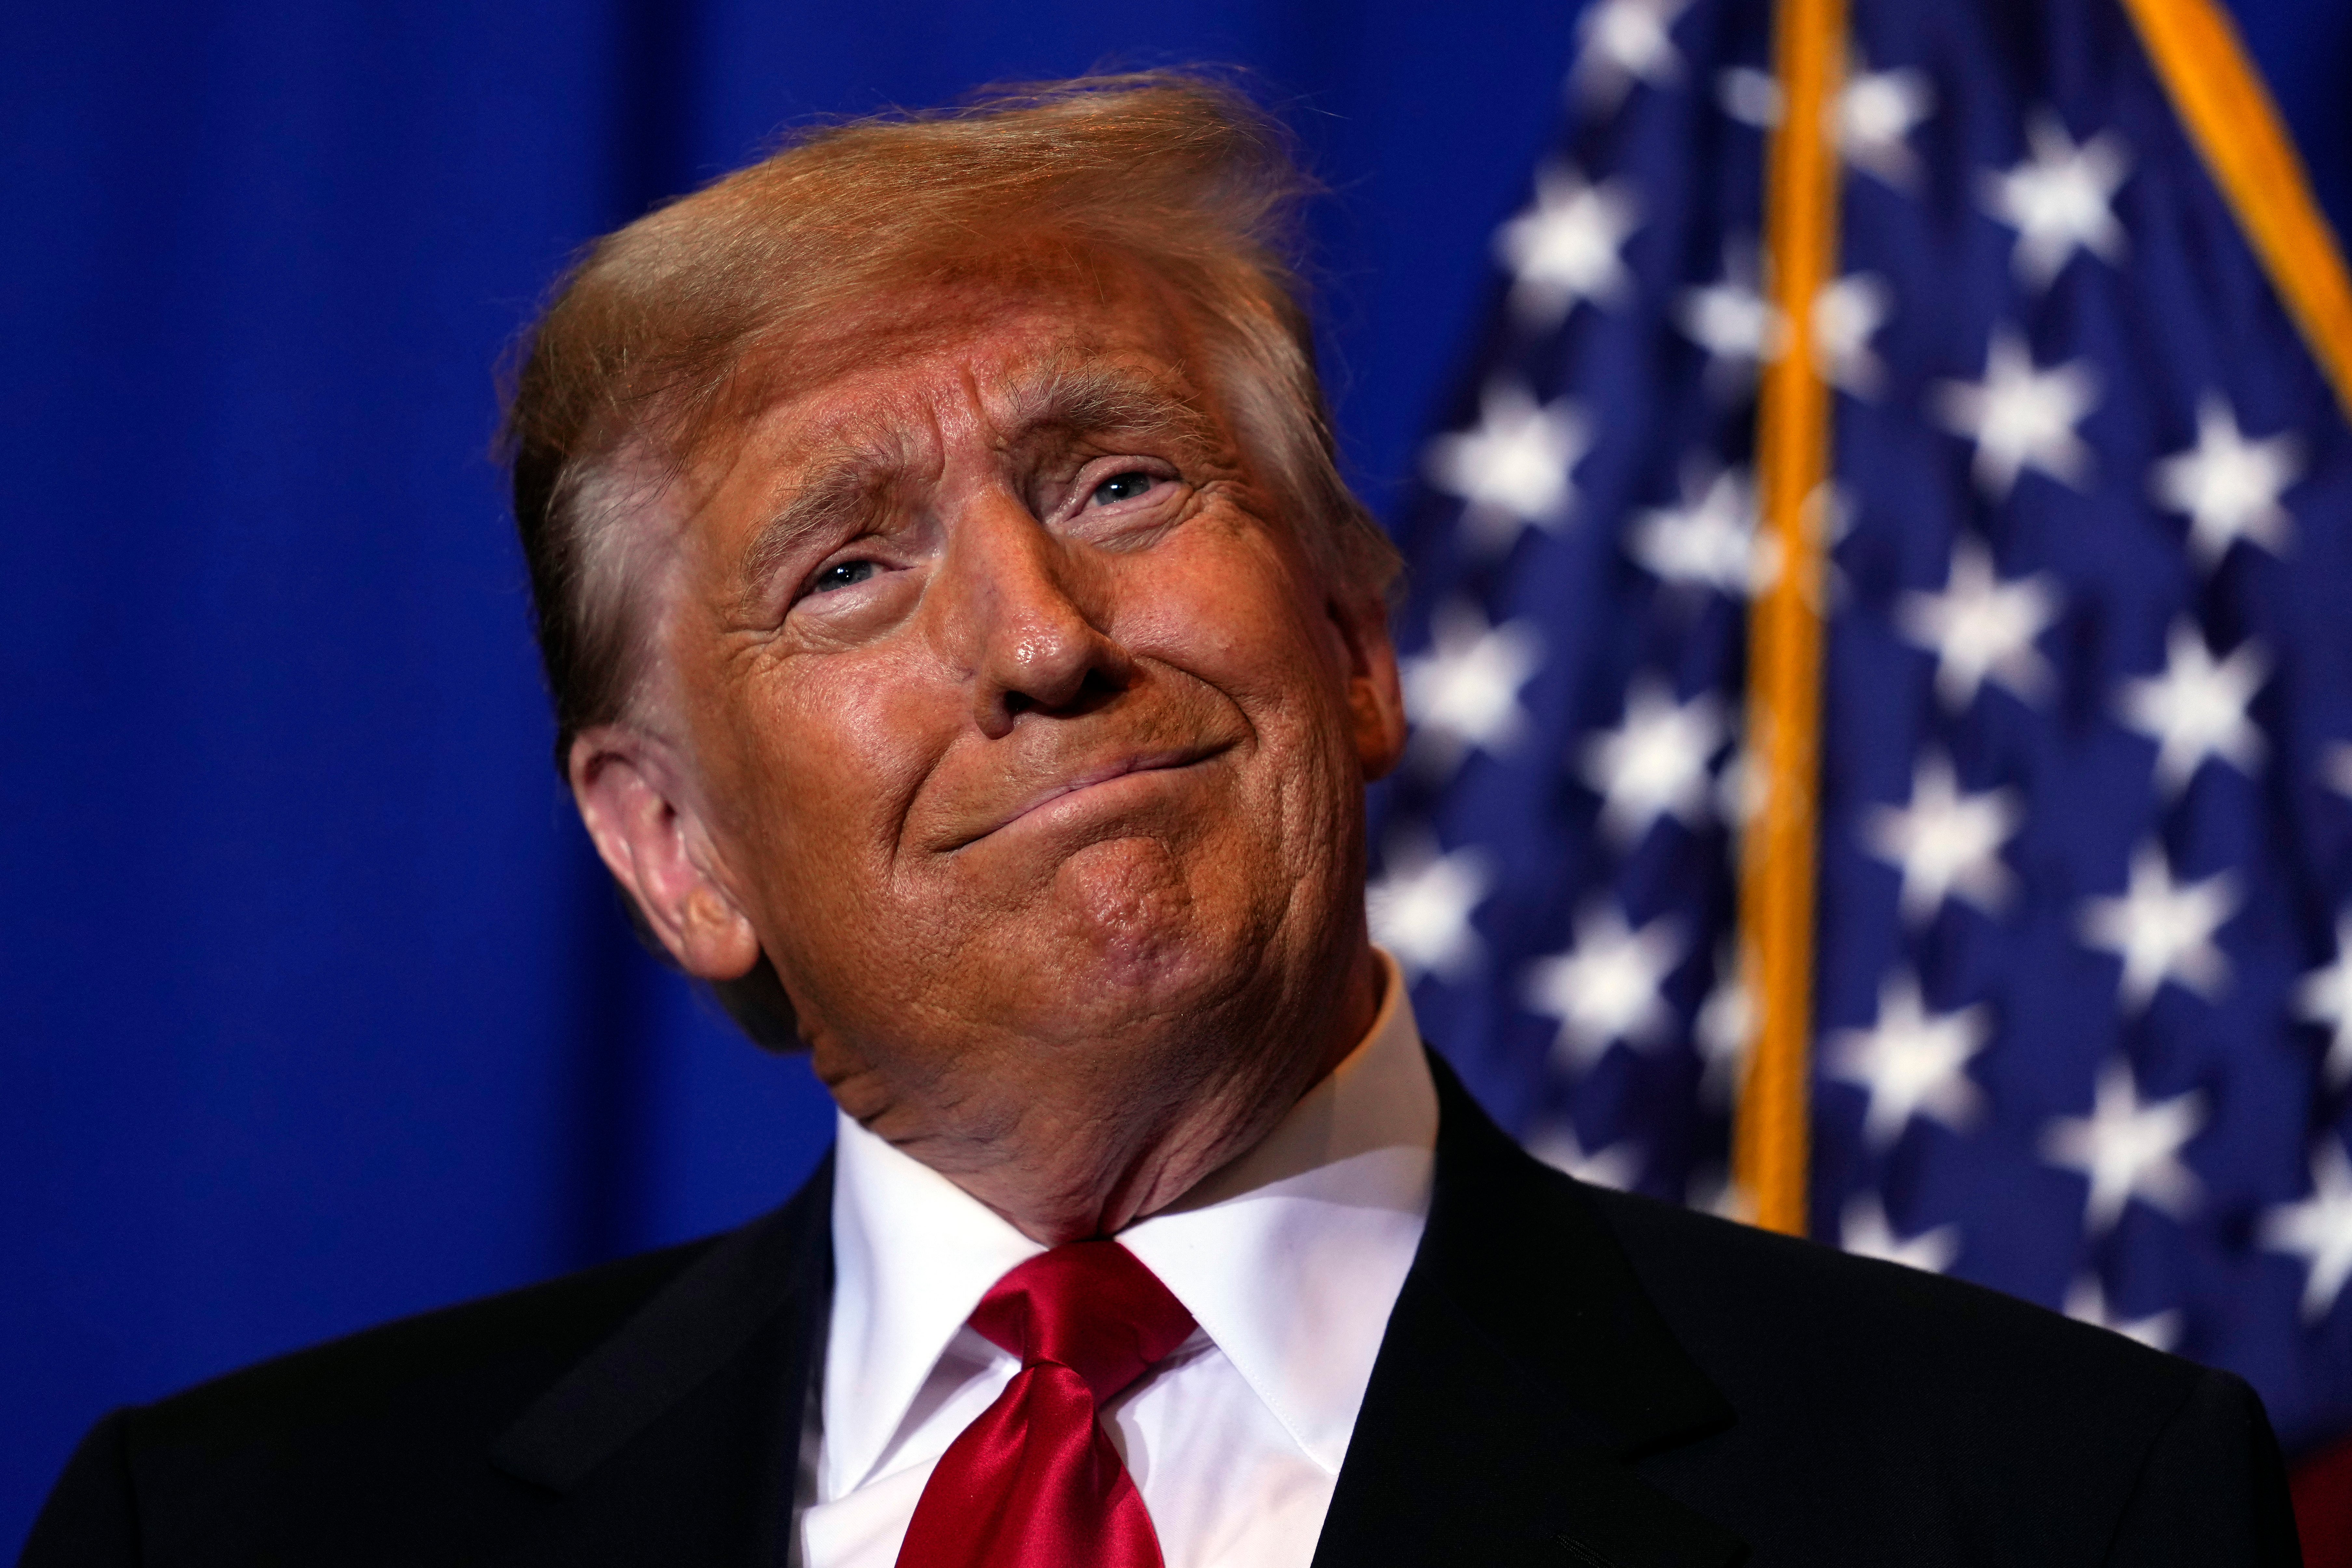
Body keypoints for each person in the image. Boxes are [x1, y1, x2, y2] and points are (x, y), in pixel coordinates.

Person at [22, 73, 2300, 1568]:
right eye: (850, 566)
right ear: (672, 851)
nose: (1039, 635)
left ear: (1359, 637)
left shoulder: (2044, 1512)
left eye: (1123, 480)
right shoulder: (229, 1540)